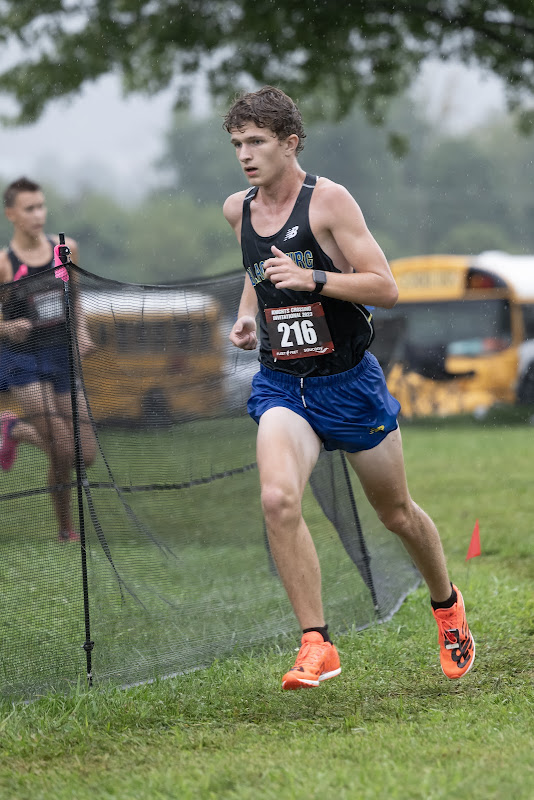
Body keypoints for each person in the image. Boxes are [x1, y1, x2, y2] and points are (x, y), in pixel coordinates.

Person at [223, 87, 475, 690]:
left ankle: (447, 608)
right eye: (237, 144)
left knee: (395, 514)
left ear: (291, 142)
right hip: (283, 383)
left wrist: (312, 277)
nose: (246, 156)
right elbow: (258, 272)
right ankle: (317, 644)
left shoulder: (329, 202)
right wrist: (248, 313)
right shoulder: (238, 209)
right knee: (279, 499)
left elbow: (385, 288)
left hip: (349, 383)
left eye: (257, 142)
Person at [0, 176, 96, 542]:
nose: (38, 215)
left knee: (83, 454)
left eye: (41, 206)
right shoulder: (5, 264)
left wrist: (82, 331)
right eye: (29, 209)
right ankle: (67, 530)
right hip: (21, 361)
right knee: (60, 442)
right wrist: (7, 329)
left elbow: (77, 295)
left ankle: (14, 430)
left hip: (60, 354)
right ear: (11, 214)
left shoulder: (64, 249)